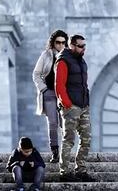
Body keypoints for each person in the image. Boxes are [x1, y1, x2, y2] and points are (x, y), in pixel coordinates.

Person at [54, 34, 93, 182]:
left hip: (83, 106)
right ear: (72, 46)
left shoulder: (81, 62)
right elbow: (59, 85)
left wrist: (86, 103)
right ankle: (64, 172)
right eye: (81, 46)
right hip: (71, 106)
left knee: (87, 138)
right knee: (69, 139)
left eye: (84, 46)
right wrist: (67, 104)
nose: (84, 49)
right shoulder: (63, 61)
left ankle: (81, 170)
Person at [32, 30, 68, 163]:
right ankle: (55, 153)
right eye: (58, 42)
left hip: (64, 95)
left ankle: (66, 152)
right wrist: (44, 89)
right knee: (53, 123)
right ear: (53, 43)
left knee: (66, 124)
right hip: (50, 94)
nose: (60, 45)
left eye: (63, 43)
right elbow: (36, 74)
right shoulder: (46, 55)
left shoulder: (68, 56)